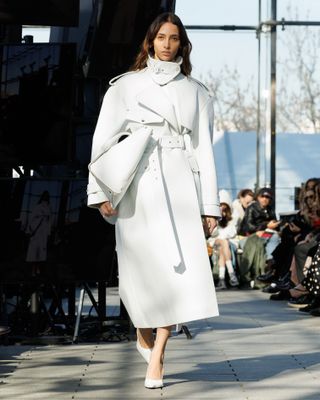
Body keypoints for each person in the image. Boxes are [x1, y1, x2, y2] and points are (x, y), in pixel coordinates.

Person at [87, 13, 220, 389]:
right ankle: (144, 329)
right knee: (138, 275)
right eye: (160, 37)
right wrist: (100, 193)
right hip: (138, 186)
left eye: (173, 38)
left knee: (177, 276)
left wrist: (209, 205)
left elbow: (204, 150)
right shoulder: (125, 87)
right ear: (149, 41)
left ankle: (159, 353)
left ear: (182, 44)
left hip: (180, 185)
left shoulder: (197, 92)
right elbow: (102, 142)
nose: (166, 44)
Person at [238, 187, 280, 289]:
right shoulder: (252, 208)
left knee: (276, 237)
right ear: (258, 197)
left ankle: (270, 267)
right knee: (269, 240)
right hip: (250, 236)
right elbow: (248, 226)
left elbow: (274, 223)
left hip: (268, 235)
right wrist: (265, 226)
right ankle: (267, 271)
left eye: (268, 197)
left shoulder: (270, 209)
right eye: (263, 196)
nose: (265, 199)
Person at [208, 190, 239, 289]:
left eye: (225, 206)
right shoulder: (213, 217)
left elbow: (232, 233)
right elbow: (213, 234)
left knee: (223, 247)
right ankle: (232, 274)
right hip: (215, 241)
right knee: (223, 242)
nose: (222, 208)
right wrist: (217, 219)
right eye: (220, 205)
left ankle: (222, 280)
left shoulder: (233, 217)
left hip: (228, 242)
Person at [25, 190, 52, 276]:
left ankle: (36, 269)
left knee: (39, 252)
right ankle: (35, 270)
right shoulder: (42, 207)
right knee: (36, 252)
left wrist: (48, 232)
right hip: (38, 232)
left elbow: (49, 221)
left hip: (41, 232)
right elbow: (33, 219)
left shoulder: (46, 207)